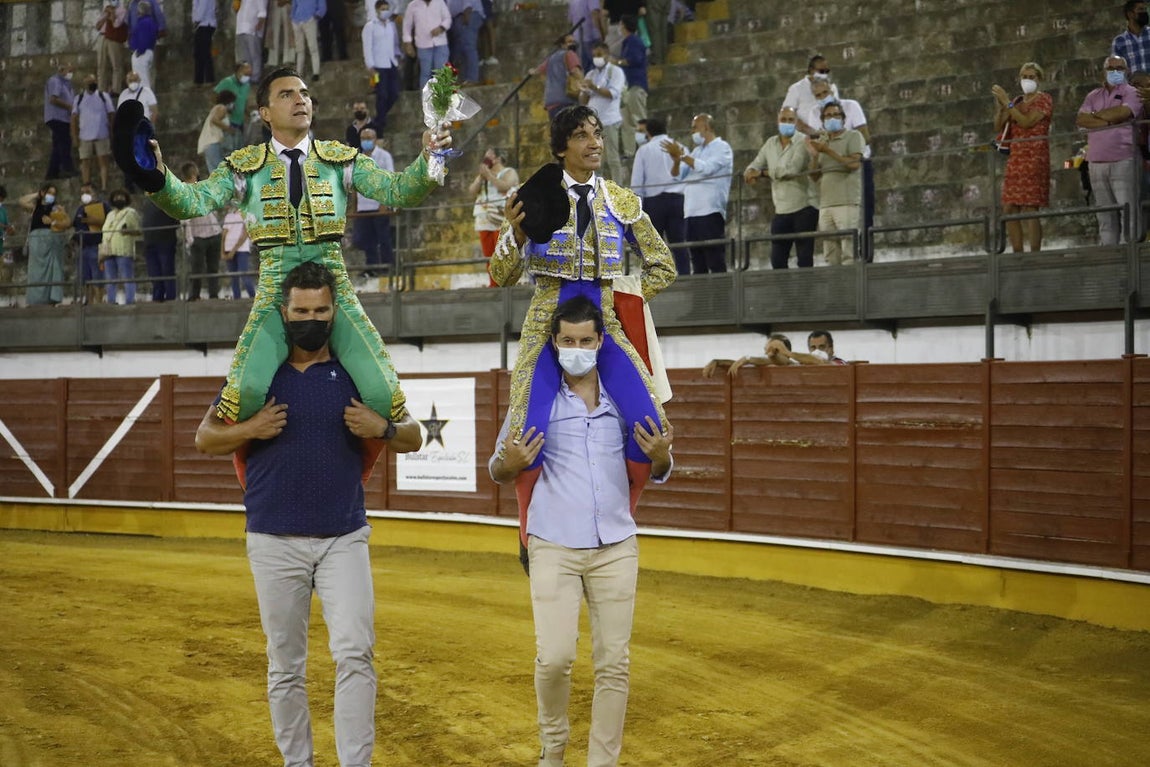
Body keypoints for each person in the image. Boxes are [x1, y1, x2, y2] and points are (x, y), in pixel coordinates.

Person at [193, 260, 424, 767]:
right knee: (285, 666)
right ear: (284, 310)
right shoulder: (256, 376)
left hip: (344, 536)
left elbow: (414, 435)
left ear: (334, 310)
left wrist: (380, 426)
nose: (311, 319)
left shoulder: (356, 375)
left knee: (355, 654)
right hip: (273, 538)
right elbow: (206, 436)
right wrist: (249, 428)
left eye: (321, 310)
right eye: (301, 310)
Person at [139, 64, 452, 424]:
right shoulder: (244, 167)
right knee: (244, 396)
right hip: (275, 292)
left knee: (384, 396)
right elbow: (192, 202)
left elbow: (399, 191)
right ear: (265, 113)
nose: (300, 100)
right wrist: (156, 175)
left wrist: (431, 157)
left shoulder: (341, 160)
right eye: (286, 94)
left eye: (304, 93)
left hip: (334, 290)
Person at [488, 294, 673, 767]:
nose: (576, 348)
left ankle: (602, 762)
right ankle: (553, 747)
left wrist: (661, 458)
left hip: (616, 544)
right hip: (553, 543)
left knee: (614, 664)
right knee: (553, 659)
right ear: (554, 342)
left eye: (585, 340)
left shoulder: (628, 400)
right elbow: (498, 466)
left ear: (599, 341)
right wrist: (506, 465)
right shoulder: (533, 399)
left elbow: (661, 464)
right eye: (567, 340)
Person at [490, 104, 675, 531]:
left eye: (597, 133)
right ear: (560, 148)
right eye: (580, 135)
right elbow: (501, 276)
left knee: (651, 424)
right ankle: (526, 531)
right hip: (545, 323)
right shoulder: (531, 198)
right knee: (526, 431)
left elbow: (663, 266)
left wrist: (623, 299)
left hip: (604, 324)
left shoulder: (621, 201)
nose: (594, 142)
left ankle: (623, 517)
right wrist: (515, 235)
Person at [1077, 55, 1143, 246]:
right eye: (1111, 68)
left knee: (1128, 212)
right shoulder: (1092, 96)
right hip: (1096, 162)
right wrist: (1108, 121)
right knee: (1105, 216)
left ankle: (1130, 258)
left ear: (1126, 71)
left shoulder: (1133, 92)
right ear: (1103, 72)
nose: (1115, 72)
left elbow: (1124, 113)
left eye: (1119, 68)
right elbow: (1081, 120)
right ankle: (1109, 256)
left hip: (1124, 159)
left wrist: (1095, 118)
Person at [744, 106, 819, 269]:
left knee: (804, 259)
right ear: (777, 121)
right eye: (783, 120)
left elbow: (791, 170)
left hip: (804, 207)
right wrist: (750, 172)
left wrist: (762, 173)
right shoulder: (770, 143)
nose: (787, 123)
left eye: (790, 120)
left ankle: (806, 294)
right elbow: (755, 164)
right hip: (781, 210)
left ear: (796, 122)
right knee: (777, 260)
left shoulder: (803, 141)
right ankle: (785, 294)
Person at [662, 112, 733, 273]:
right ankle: (702, 298)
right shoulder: (696, 151)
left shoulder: (722, 148)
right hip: (691, 213)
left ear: (706, 127)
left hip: (710, 211)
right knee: (698, 263)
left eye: (695, 128)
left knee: (715, 260)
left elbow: (707, 168)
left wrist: (683, 156)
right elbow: (678, 175)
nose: (692, 131)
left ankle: (721, 297)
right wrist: (676, 161)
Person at [992, 62, 1053, 253]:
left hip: (1035, 156)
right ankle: (1017, 252)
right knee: (1009, 207)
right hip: (1016, 158)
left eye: (1032, 77)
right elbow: (998, 126)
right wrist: (1002, 106)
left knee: (1030, 207)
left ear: (1039, 79)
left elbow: (1027, 122)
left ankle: (1035, 253)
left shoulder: (1044, 100)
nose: (1027, 80)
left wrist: (1008, 103)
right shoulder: (1017, 102)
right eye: (1024, 76)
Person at [808, 100, 864, 265]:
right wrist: (816, 154)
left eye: (835, 115)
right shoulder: (823, 141)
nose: (831, 118)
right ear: (823, 121)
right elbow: (814, 176)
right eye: (827, 116)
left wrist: (828, 151)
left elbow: (854, 164)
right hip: (825, 204)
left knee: (849, 251)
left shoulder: (853, 136)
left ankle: (852, 288)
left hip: (846, 202)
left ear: (843, 118)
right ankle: (836, 288)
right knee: (830, 252)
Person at [629, 115, 686, 273]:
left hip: (654, 203)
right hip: (678, 200)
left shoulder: (644, 150)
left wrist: (636, 210)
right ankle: (687, 278)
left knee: (654, 247)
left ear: (648, 131)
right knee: (680, 245)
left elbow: (637, 183)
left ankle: (657, 278)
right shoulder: (681, 147)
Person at [467, 145, 518, 285]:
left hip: (502, 218)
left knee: (502, 253)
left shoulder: (509, 172)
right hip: (484, 220)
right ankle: (493, 284)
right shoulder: (483, 176)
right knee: (488, 256)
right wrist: (480, 178)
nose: (485, 158)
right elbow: (471, 191)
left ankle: (505, 283)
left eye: (488, 155)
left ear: (497, 158)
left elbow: (505, 186)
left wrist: (489, 176)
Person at [350, 126, 396, 278]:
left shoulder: (384, 156)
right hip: (363, 206)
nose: (366, 141)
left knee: (383, 238)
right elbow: (354, 183)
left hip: (379, 205)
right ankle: (372, 267)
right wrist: (355, 206)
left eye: (369, 138)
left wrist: (384, 204)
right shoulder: (357, 158)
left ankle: (388, 267)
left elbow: (389, 179)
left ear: (375, 140)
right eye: (363, 138)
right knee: (365, 239)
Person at [179, 162, 223, 301]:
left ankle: (212, 294)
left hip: (212, 231)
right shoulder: (184, 191)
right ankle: (196, 294)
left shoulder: (202, 187)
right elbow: (185, 218)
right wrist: (190, 239)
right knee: (198, 268)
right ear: (193, 174)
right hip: (199, 235)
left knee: (212, 267)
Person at [582, 41, 625, 181]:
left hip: (610, 120)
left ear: (607, 55)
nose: (596, 58)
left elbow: (613, 94)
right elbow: (583, 101)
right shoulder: (590, 74)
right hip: (593, 124)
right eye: (594, 55)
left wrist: (593, 87)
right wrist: (582, 90)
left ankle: (619, 188)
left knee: (613, 158)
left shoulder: (615, 72)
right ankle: (598, 191)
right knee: (595, 159)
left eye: (599, 55)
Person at [20, 184, 69, 305]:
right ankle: (35, 300)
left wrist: (53, 221)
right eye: (49, 193)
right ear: (43, 193)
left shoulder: (56, 208)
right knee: (35, 271)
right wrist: (37, 194)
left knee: (54, 270)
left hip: (51, 240)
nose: (51, 196)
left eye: (53, 194)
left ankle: (51, 299)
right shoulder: (35, 206)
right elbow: (21, 201)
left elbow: (67, 222)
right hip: (36, 241)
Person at [701, 332, 831, 378]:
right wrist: (717, 361)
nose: (767, 354)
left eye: (773, 350)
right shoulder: (765, 362)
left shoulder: (797, 363)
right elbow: (738, 365)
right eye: (766, 350)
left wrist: (747, 359)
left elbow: (782, 361)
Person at [71, 74, 116, 192]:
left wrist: (112, 131)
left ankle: (104, 186)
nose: (92, 84)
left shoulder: (103, 96)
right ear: (85, 84)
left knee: (103, 162)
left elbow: (111, 114)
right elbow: (74, 118)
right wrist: (75, 136)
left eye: (93, 81)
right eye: (89, 82)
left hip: (102, 134)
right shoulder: (79, 98)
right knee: (85, 161)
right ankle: (87, 184)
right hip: (84, 136)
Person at [362, 0, 402, 131]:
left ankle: (380, 118)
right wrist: (370, 66)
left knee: (394, 93)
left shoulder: (391, 25)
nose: (385, 11)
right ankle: (380, 122)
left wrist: (398, 56)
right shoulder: (370, 26)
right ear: (377, 10)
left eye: (386, 8)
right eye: (382, 9)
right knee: (382, 94)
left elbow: (395, 43)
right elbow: (367, 47)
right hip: (378, 65)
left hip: (391, 63)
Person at [100, 188, 142, 305]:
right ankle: (111, 301)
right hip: (109, 251)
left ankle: (130, 300)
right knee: (110, 279)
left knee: (127, 277)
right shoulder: (110, 214)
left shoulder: (130, 212)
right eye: (116, 197)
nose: (119, 199)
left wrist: (128, 231)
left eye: (121, 197)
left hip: (123, 250)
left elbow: (138, 231)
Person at [615, 14, 647, 160]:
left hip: (635, 85)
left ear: (624, 26)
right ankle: (630, 152)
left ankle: (645, 148)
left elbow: (634, 60)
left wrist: (617, 62)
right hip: (627, 87)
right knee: (626, 121)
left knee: (638, 118)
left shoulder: (634, 41)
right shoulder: (627, 42)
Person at [783, 54, 840, 136]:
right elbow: (787, 113)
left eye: (826, 71)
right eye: (821, 71)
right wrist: (807, 130)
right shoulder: (796, 88)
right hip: (805, 135)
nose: (824, 74)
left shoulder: (832, 87)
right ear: (811, 70)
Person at [73, 183, 110, 305]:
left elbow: (110, 223)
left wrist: (97, 221)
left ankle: (99, 301)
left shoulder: (103, 206)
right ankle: (88, 301)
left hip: (96, 246)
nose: (84, 195)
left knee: (98, 276)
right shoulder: (80, 208)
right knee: (84, 277)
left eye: (87, 192)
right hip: (82, 247)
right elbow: (75, 225)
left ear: (94, 193)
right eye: (82, 192)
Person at [402, 0, 451, 89]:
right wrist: (408, 43)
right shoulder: (413, 5)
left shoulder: (439, 2)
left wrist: (441, 28)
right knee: (425, 73)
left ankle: (441, 100)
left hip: (440, 43)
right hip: (423, 45)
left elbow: (448, 19)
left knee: (441, 72)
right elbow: (407, 26)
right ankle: (426, 100)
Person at [535, 33, 583, 121]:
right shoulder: (570, 54)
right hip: (566, 101)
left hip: (551, 103)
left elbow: (537, 71)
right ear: (563, 45)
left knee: (559, 133)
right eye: (569, 42)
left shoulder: (551, 58)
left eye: (573, 41)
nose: (572, 44)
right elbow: (576, 72)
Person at [140, 196, 179, 302]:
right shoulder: (147, 202)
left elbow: (176, 220)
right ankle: (157, 297)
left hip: (165, 241)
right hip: (149, 242)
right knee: (154, 272)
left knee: (167, 270)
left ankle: (170, 297)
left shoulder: (169, 199)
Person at [44, 63, 77, 181]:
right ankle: (67, 168)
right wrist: (69, 107)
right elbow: (53, 99)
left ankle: (52, 172)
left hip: (65, 118)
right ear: (62, 70)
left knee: (57, 145)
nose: (71, 73)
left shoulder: (67, 84)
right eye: (69, 70)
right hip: (57, 117)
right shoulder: (55, 81)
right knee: (65, 143)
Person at [215, 61, 254, 153]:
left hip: (239, 123)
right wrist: (222, 109)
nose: (247, 76)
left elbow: (243, 103)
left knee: (239, 151)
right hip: (228, 122)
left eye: (249, 74)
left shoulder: (246, 85)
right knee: (228, 151)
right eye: (246, 73)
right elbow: (214, 96)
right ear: (238, 71)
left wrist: (250, 114)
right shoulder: (227, 82)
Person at [221, 203, 257, 299]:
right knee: (234, 277)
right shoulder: (228, 216)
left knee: (243, 274)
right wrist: (222, 251)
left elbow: (245, 234)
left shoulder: (246, 215)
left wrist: (233, 250)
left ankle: (253, 297)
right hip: (228, 248)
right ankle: (237, 298)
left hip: (242, 249)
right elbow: (224, 235)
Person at [199, 90, 238, 173]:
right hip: (213, 143)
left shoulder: (216, 108)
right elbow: (214, 120)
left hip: (208, 144)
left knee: (214, 172)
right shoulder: (222, 107)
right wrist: (229, 129)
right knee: (220, 172)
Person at [96, 2, 130, 95]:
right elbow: (98, 26)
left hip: (114, 39)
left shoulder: (122, 10)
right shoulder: (105, 9)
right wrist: (106, 15)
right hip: (103, 37)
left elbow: (116, 24)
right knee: (101, 65)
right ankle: (101, 89)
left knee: (116, 65)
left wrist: (112, 13)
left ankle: (116, 89)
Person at [447, 0, 483, 85]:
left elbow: (468, 3)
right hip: (457, 18)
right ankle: (463, 78)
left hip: (468, 14)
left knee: (468, 47)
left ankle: (472, 78)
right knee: (459, 50)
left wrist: (467, 15)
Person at [128, 0, 159, 92]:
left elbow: (143, 39)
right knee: (144, 78)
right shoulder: (151, 22)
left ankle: (145, 101)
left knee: (142, 80)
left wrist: (139, 51)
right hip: (148, 51)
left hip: (142, 53)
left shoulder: (143, 23)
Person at [568, 0, 606, 73]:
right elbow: (594, 14)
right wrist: (601, 32)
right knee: (598, 64)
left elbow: (570, 20)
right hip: (591, 36)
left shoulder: (573, 1)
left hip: (578, 37)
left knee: (584, 66)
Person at [292, 0, 326, 82]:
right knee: (299, 49)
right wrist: (292, 17)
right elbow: (294, 5)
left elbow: (322, 6)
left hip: (309, 19)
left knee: (313, 47)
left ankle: (316, 72)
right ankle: (299, 72)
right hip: (297, 20)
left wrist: (316, 16)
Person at [235, 0, 268, 83]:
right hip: (241, 27)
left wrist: (260, 24)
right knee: (244, 55)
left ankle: (255, 77)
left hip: (252, 27)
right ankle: (246, 77)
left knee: (254, 54)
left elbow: (262, 10)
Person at [1115, 1, 1150, 75]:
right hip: (1133, 85)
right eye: (1140, 9)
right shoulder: (1119, 42)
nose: (1144, 12)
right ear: (1130, 14)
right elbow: (1116, 70)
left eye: (1145, 9)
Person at [192, 0, 218, 85]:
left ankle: (206, 79)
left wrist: (196, 20)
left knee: (203, 53)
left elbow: (201, 9)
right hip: (203, 25)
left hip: (205, 24)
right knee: (200, 54)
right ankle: (200, 80)